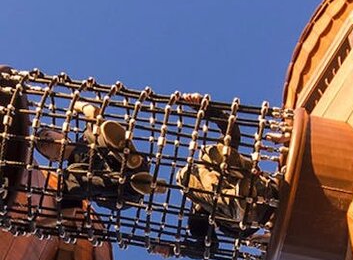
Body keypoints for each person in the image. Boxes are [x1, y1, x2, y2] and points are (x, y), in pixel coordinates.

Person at [176, 93, 279, 251]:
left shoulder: (213, 160)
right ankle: (234, 203)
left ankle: (236, 199)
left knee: (208, 153)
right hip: (244, 216)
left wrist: (206, 109)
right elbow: (211, 247)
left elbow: (231, 133)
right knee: (184, 176)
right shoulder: (201, 214)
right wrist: (176, 249)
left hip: (257, 190)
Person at [35, 102, 167, 215]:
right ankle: (141, 182)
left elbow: (91, 110)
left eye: (47, 134)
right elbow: (67, 213)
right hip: (120, 194)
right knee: (72, 176)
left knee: (94, 131)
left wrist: (77, 105)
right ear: (52, 159)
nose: (46, 139)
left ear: (61, 133)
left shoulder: (86, 137)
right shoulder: (69, 180)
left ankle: (127, 156)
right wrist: (37, 224)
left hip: (128, 166)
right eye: (42, 145)